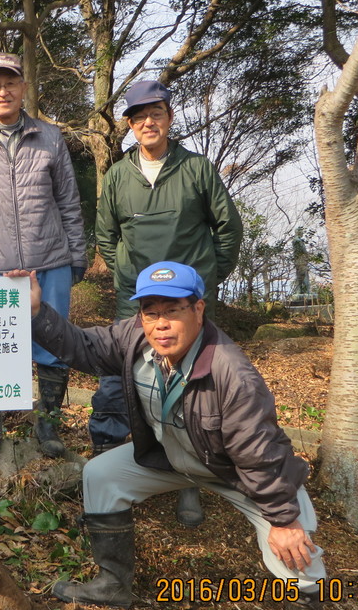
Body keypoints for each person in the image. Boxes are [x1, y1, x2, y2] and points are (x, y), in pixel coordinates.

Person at [10, 261, 336, 610]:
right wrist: (38, 312)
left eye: (173, 310)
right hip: (171, 458)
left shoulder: (232, 374)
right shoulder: (135, 338)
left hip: (237, 473)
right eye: (151, 312)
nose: (160, 324)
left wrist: (283, 518)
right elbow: (84, 348)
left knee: (296, 553)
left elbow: (259, 452)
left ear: (198, 310)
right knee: (101, 476)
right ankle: (113, 583)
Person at [90, 80, 243, 526]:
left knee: (193, 389)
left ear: (170, 117)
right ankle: (115, 462)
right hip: (134, 302)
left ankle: (190, 480)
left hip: (187, 304)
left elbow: (228, 228)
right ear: (131, 126)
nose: (147, 123)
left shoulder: (196, 168)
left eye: (155, 113)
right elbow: (106, 233)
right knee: (124, 380)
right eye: (138, 117)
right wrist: (124, 279)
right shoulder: (118, 175)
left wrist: (207, 279)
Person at [0, 52, 88, 459]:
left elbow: (68, 200)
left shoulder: (49, 135)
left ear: (24, 88)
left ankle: (48, 422)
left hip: (50, 260)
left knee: (54, 342)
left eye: (11, 83)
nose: (3, 91)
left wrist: (76, 254)